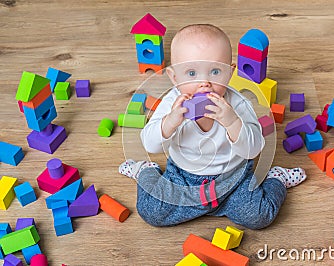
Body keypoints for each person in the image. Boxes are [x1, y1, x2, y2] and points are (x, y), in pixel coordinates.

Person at [119, 24, 306, 229]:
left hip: (233, 178)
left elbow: (253, 149)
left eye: (215, 71)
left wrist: (232, 122)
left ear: (230, 73)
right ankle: (146, 170)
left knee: (259, 216)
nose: (204, 83)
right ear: (174, 77)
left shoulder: (238, 104)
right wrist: (170, 122)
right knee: (151, 212)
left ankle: (276, 178)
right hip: (183, 177)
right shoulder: (172, 103)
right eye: (191, 73)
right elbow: (150, 145)